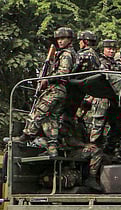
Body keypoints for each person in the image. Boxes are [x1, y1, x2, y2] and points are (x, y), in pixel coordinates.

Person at [13, 27, 77, 157]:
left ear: (70, 40)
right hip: (61, 90)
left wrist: (46, 80)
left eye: (63, 38)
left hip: (56, 88)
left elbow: (63, 72)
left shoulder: (66, 54)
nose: (60, 41)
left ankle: (26, 135)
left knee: (39, 111)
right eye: (58, 38)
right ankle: (52, 146)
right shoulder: (68, 53)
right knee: (51, 118)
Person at [90, 39, 121, 162]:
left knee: (117, 125)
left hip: (115, 99)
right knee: (98, 126)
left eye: (113, 49)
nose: (111, 51)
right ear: (104, 49)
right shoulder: (99, 61)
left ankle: (111, 149)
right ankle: (94, 150)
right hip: (102, 98)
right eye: (109, 49)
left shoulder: (117, 64)